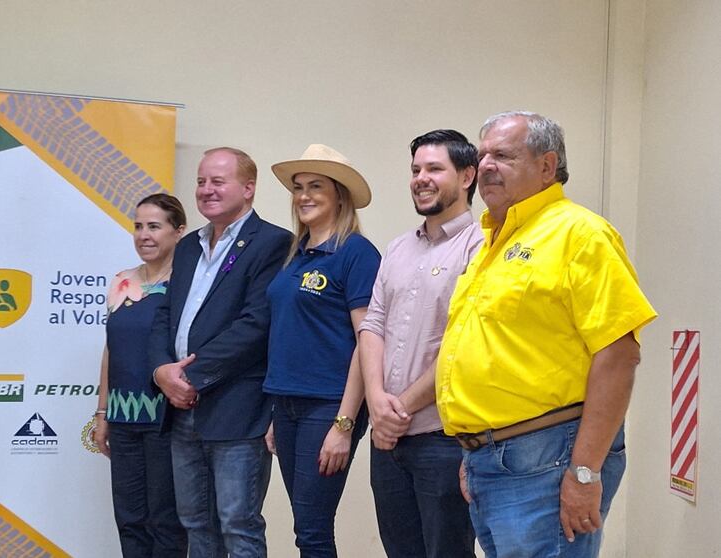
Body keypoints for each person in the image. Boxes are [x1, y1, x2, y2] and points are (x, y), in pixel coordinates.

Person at [436, 111, 658, 557]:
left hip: (548, 457)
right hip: (493, 458)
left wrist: (584, 472)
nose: (486, 166)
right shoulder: (492, 245)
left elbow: (618, 355)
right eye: (482, 156)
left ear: (546, 165)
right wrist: (474, 445)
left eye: (503, 155)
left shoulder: (581, 234)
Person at [148, 147, 291, 558]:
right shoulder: (189, 245)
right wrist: (162, 371)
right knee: (195, 524)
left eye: (218, 181)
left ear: (248, 188)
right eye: (200, 181)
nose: (206, 190)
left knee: (238, 525)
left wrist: (190, 376)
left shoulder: (274, 243)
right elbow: (165, 314)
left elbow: (256, 324)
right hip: (180, 409)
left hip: (236, 409)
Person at [359, 129, 481, 558]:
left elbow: (463, 346)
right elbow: (372, 325)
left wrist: (402, 407)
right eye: (415, 169)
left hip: (442, 440)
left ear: (467, 176)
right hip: (388, 439)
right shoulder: (396, 248)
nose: (420, 178)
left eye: (434, 168)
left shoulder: (481, 246)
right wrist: (376, 400)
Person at [263, 144, 381, 557]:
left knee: (312, 530)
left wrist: (344, 424)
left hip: (328, 406)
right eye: (298, 187)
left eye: (316, 186)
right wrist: (277, 413)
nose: (304, 196)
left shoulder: (355, 253)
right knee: (304, 527)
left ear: (340, 196)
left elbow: (369, 340)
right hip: (287, 406)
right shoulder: (294, 256)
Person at [93, 193, 188, 558]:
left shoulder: (185, 285)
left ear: (178, 232)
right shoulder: (120, 281)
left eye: (154, 226)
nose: (144, 235)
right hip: (122, 418)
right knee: (129, 519)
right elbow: (110, 350)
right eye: (138, 226)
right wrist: (102, 414)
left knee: (165, 521)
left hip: (167, 419)